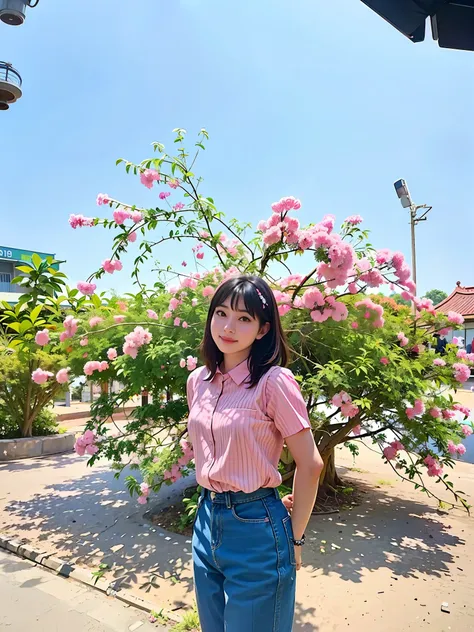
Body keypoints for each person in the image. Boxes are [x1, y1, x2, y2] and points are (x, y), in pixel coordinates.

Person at [186, 274, 323, 632]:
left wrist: (294, 536)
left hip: (256, 526)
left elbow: (310, 464)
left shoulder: (273, 382)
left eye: (244, 318)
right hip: (206, 519)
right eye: (221, 313)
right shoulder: (197, 381)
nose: (228, 327)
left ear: (262, 330)